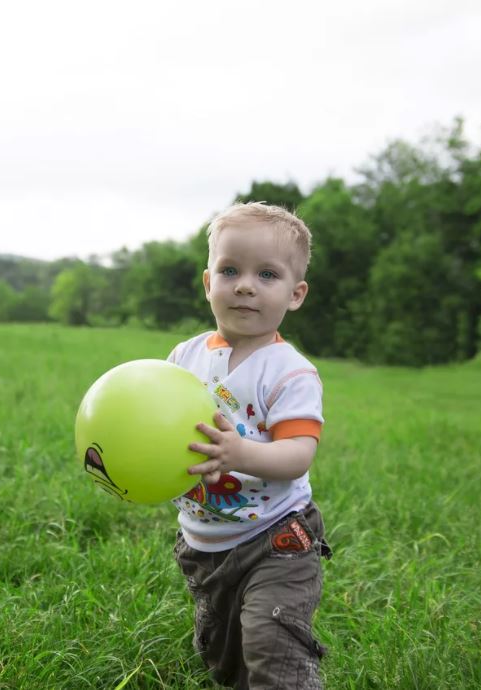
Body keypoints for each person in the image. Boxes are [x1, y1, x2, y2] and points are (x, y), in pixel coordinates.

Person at [167, 201, 331, 689]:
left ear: (295, 293)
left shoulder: (289, 371)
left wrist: (240, 454)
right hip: (203, 541)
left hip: (276, 540)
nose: (244, 285)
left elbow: (298, 453)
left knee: (270, 642)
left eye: (267, 275)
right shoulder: (184, 356)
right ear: (207, 282)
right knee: (224, 657)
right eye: (230, 270)